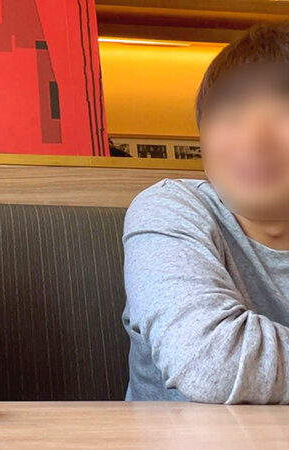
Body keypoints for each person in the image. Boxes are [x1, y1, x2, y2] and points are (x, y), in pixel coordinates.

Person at [123, 22, 289, 403]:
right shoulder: (169, 209)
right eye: (230, 117)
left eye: (282, 113)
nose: (254, 138)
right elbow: (212, 362)